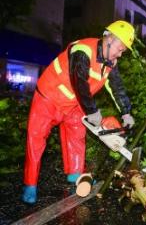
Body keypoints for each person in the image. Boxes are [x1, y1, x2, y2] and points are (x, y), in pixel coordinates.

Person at [22, 20, 135, 204]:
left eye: (123, 51)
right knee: (36, 141)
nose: (120, 54)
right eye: (120, 48)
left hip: (74, 103)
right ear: (108, 39)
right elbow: (79, 81)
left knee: (76, 135)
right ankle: (30, 185)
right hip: (48, 99)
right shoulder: (82, 51)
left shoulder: (110, 62)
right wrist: (93, 111)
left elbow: (117, 88)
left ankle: (75, 175)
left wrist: (126, 113)